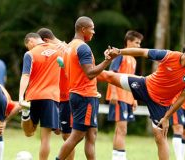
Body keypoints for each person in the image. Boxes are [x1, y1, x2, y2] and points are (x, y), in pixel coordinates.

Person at [97, 38, 185, 160]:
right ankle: (83, 74)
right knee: (109, 76)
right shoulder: (169, 55)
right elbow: (142, 52)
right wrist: (118, 51)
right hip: (144, 86)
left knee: (160, 137)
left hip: (161, 104)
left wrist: (166, 117)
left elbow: (182, 98)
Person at [56, 16, 115, 160]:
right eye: (92, 28)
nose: (94, 32)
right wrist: (108, 60)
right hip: (84, 96)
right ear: (83, 29)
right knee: (77, 135)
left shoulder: (69, 47)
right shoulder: (83, 47)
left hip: (80, 94)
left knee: (91, 133)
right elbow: (90, 73)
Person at [19, 32, 62, 160]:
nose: (29, 48)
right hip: (51, 96)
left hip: (33, 96)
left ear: (31, 41)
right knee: (45, 138)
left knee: (29, 132)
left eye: (28, 46)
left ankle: (25, 115)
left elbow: (25, 75)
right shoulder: (58, 50)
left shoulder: (30, 54)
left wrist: (21, 96)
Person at [37, 28, 75, 160]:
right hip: (54, 96)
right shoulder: (52, 50)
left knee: (67, 135)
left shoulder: (66, 49)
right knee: (57, 131)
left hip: (66, 97)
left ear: (45, 41)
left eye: (41, 45)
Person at [105, 30, 143, 160]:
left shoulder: (133, 59)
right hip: (119, 97)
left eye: (140, 43)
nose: (139, 46)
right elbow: (111, 74)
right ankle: (120, 157)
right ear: (129, 42)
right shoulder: (120, 55)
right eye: (137, 43)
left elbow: (130, 82)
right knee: (122, 129)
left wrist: (134, 98)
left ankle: (117, 157)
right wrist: (114, 93)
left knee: (120, 130)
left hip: (127, 98)